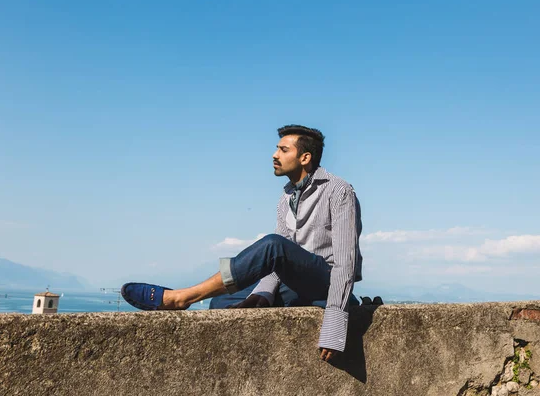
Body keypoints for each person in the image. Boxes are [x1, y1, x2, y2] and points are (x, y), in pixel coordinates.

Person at [121, 124, 363, 362]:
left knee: (272, 244)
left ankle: (181, 298)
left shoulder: (338, 191)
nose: (274, 155)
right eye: (276, 149)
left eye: (283, 150)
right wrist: (263, 294)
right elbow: (278, 264)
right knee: (221, 303)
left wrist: (334, 326)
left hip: (326, 280)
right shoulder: (286, 197)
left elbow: (345, 264)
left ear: (305, 157)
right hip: (296, 284)